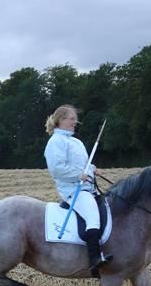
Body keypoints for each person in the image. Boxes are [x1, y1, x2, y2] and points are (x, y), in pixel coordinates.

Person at [44, 104, 112, 276]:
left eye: (76, 119)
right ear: (61, 120)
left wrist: (93, 169)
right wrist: (78, 175)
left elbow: (84, 164)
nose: (76, 122)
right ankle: (95, 260)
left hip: (87, 188)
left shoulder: (75, 141)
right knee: (92, 217)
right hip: (73, 190)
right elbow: (57, 169)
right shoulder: (56, 141)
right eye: (72, 118)